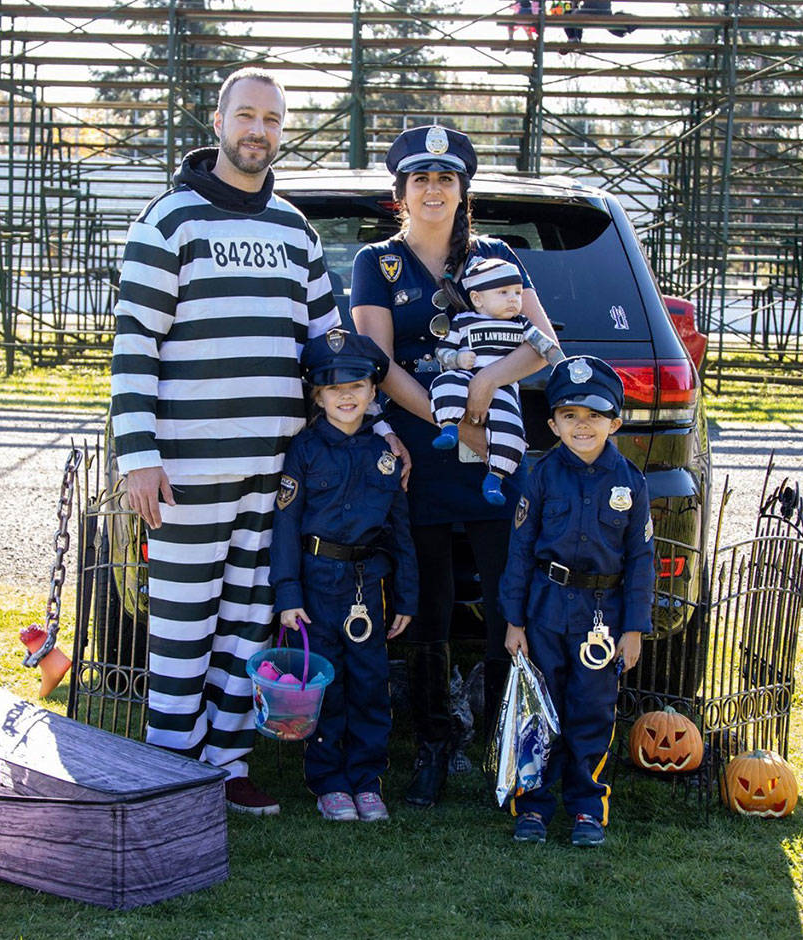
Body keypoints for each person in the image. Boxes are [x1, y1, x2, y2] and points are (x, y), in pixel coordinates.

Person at [111, 67, 404, 816]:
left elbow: (326, 346)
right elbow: (135, 344)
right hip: (186, 472)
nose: (258, 132)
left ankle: (228, 760)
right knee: (183, 623)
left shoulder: (295, 229)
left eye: (272, 121)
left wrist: (374, 427)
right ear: (216, 122)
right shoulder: (169, 221)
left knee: (248, 624)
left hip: (276, 476)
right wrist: (137, 455)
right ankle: (171, 768)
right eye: (246, 116)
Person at [350, 124, 558, 808]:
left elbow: (544, 346)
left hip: (494, 450)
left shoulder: (494, 255)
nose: (433, 190)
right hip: (422, 456)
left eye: (446, 179)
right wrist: (445, 415)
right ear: (400, 194)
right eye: (420, 180)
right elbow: (376, 364)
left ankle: (508, 742)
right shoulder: (376, 263)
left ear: (462, 191)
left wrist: (483, 387)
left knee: (507, 601)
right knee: (429, 605)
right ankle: (435, 745)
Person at [499, 356, 653, 847]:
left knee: (591, 710)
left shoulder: (631, 482)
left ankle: (588, 807)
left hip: (601, 621)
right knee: (540, 711)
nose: (581, 426)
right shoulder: (540, 476)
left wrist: (634, 628)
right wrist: (514, 621)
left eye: (593, 416)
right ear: (552, 423)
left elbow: (640, 560)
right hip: (545, 611)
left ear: (615, 421)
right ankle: (534, 807)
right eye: (569, 416)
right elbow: (520, 551)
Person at [269, 328, 418, 822]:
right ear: (317, 395)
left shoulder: (384, 454)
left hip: (368, 588)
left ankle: (367, 779)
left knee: (370, 684)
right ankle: (330, 781)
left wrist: (406, 598)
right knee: (325, 685)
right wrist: (287, 594)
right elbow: (286, 526)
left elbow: (400, 532)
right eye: (334, 388)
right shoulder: (304, 451)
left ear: (374, 391)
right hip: (316, 586)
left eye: (356, 385)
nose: (347, 395)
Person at [429, 256, 562, 506]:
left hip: (503, 389)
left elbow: (547, 347)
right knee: (445, 383)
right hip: (465, 375)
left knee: (510, 430)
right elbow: (442, 352)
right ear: (478, 298)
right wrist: (457, 359)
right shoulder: (463, 321)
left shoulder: (522, 324)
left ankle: (495, 479)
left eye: (517, 292)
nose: (514, 299)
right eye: (503, 292)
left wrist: (564, 367)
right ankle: (449, 427)